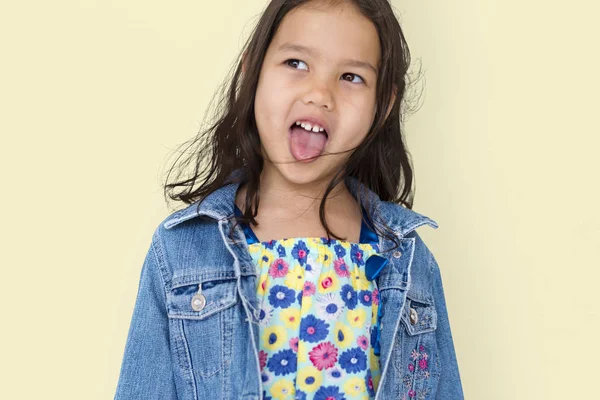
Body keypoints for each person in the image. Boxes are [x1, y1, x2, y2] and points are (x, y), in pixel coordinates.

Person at [114, 0, 464, 399]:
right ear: (253, 71)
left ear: (382, 106)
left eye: (351, 76)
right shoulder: (180, 252)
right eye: (296, 63)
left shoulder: (410, 261)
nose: (320, 94)